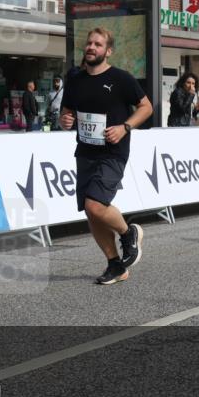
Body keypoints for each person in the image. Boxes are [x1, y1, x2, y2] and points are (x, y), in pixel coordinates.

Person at [59, 27, 153, 285]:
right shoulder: (75, 79)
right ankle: (115, 265)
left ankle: (128, 233)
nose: (91, 47)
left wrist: (125, 127)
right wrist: (64, 120)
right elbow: (66, 113)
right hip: (85, 151)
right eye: (89, 43)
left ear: (108, 51)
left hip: (113, 152)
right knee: (92, 213)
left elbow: (146, 107)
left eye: (97, 44)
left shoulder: (121, 79)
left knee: (95, 204)